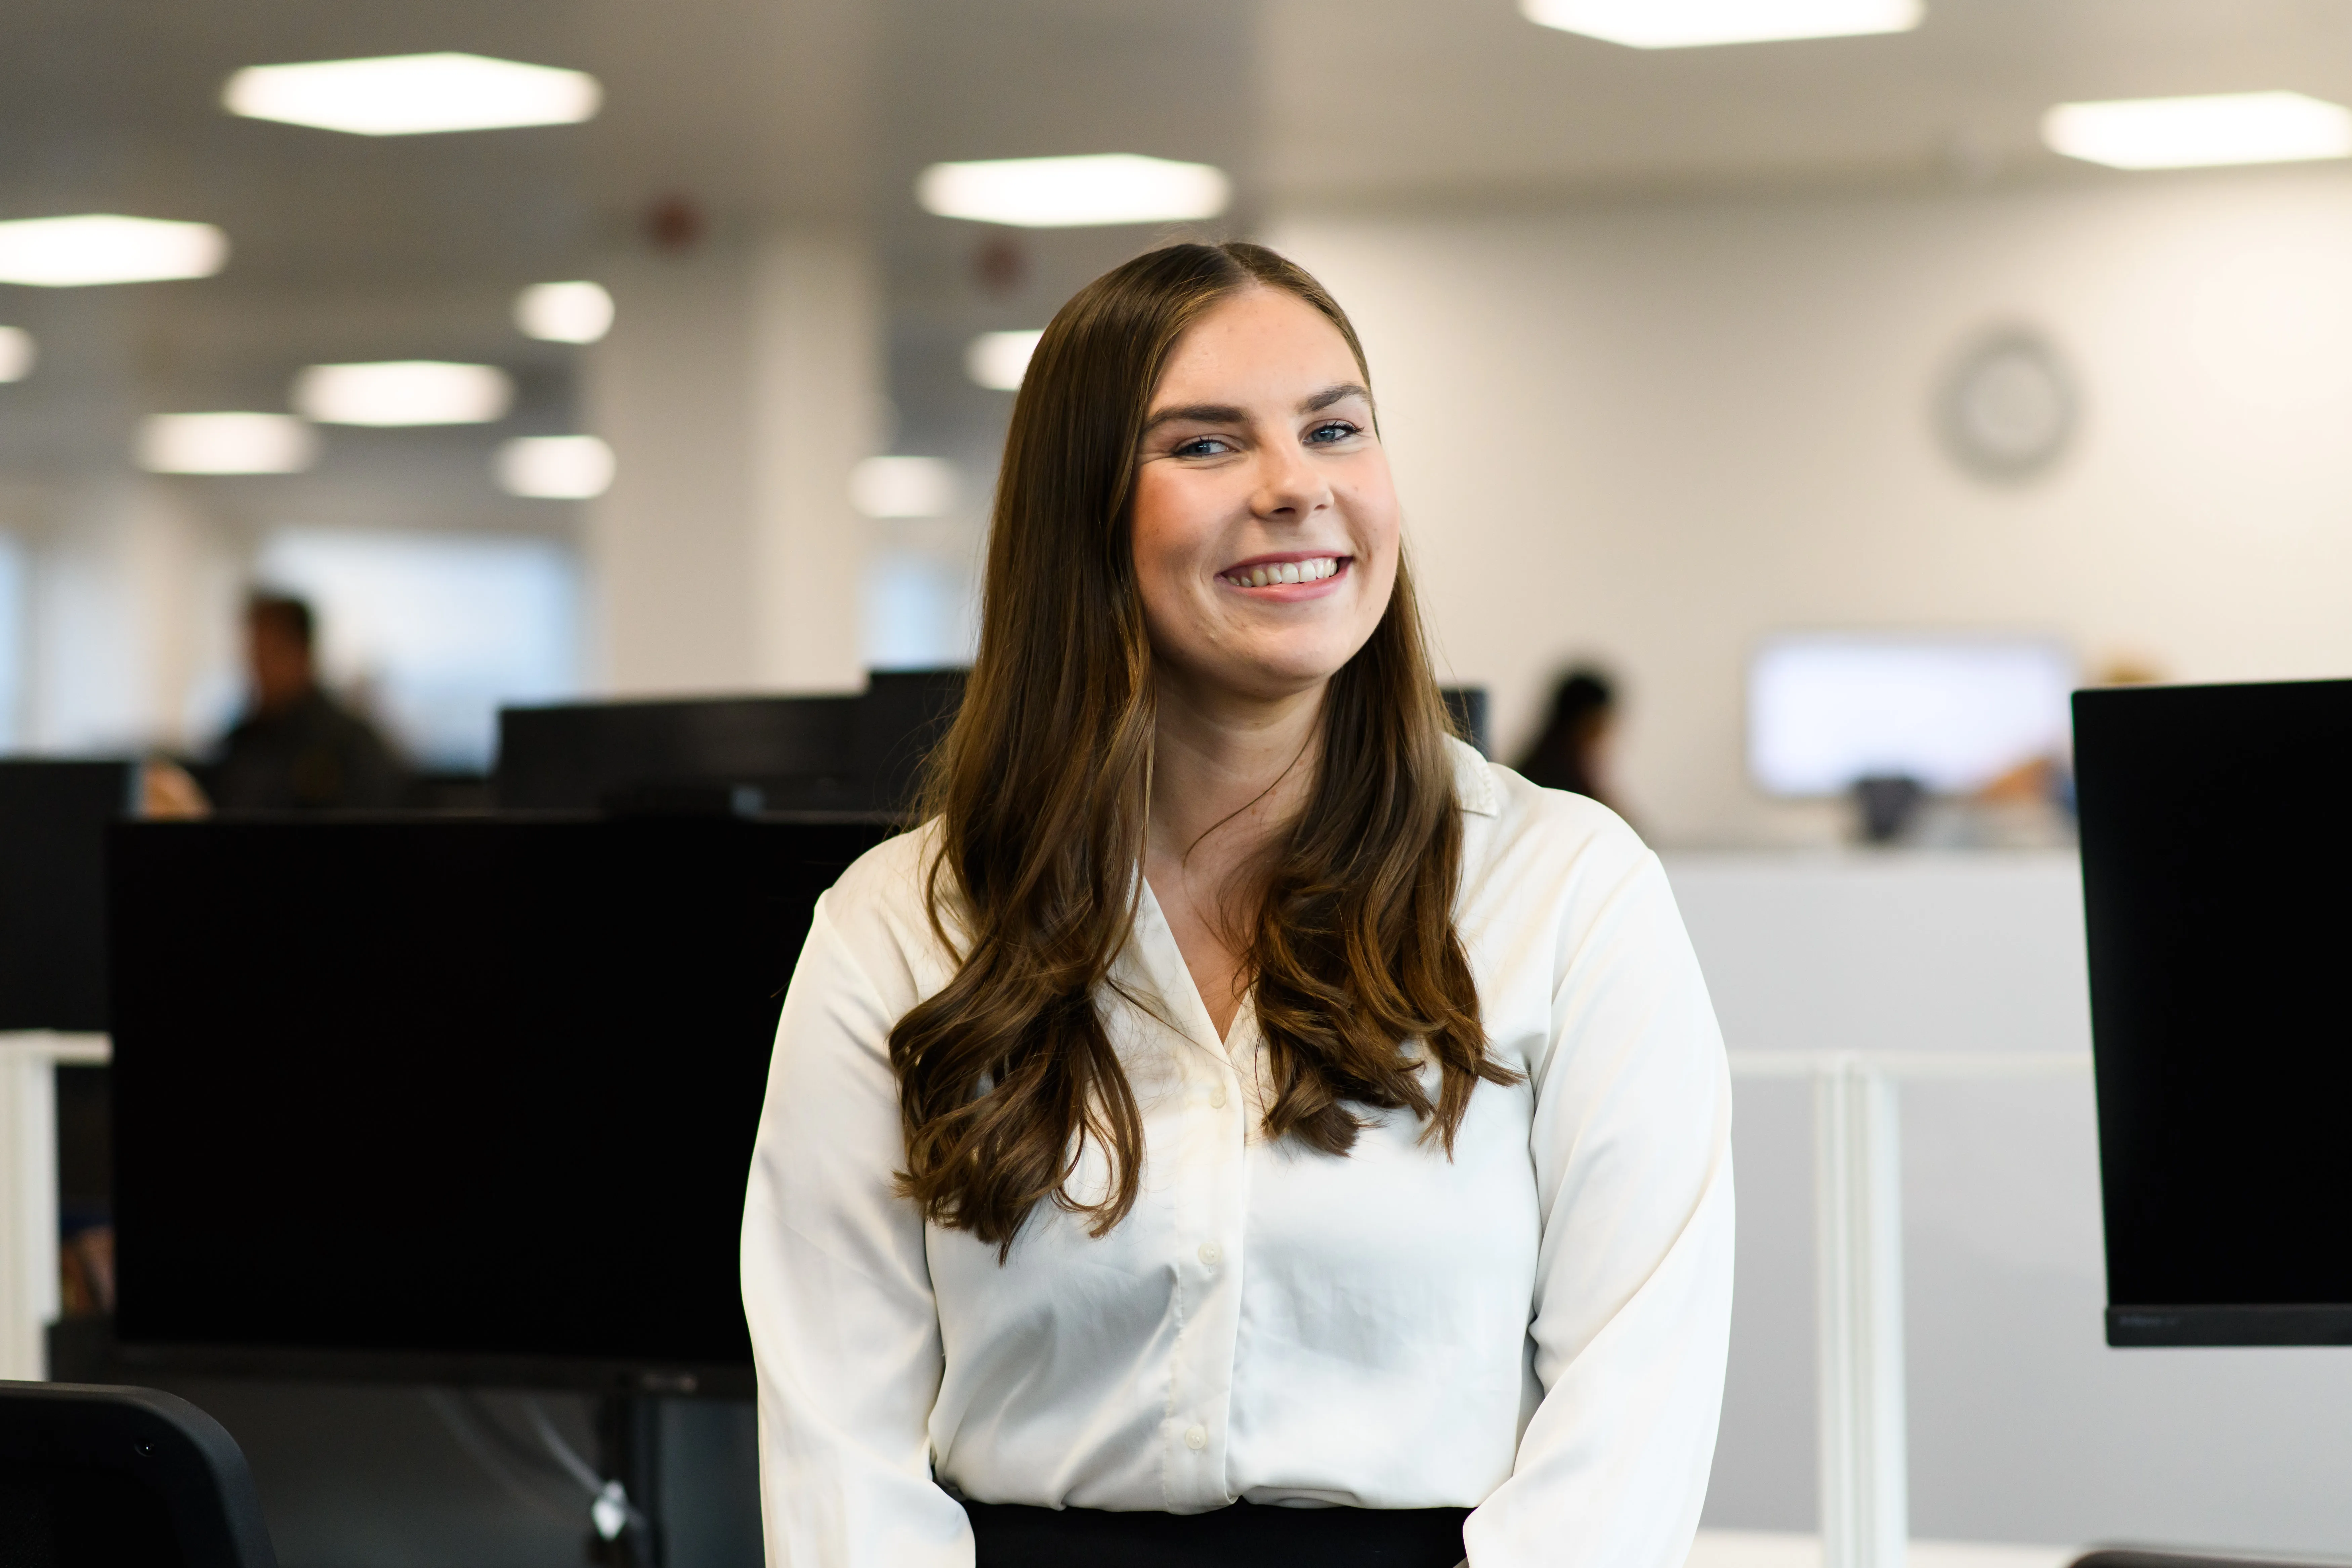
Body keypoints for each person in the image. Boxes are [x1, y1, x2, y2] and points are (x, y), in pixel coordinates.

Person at [741, 243, 1732, 1568]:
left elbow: (1632, 1412)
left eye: (1335, 427)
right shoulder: (899, 925)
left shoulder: (1563, 888)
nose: (1296, 486)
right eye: (1205, 445)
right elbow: (837, 1445)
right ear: (1082, 514)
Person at [208, 592, 405, 811]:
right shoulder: (241, 742)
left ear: (303, 654)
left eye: (271, 652)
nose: (258, 668)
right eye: (254, 652)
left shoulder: (350, 745)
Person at [1513, 667, 1620, 810]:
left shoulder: (1577, 773)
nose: (1604, 736)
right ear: (1581, 722)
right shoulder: (1556, 780)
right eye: (1599, 725)